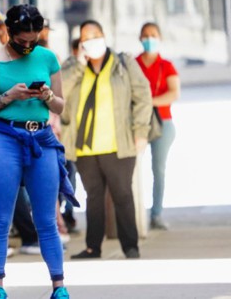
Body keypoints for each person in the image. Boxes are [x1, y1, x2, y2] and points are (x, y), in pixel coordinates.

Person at [0, 4, 75, 299]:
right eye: (22, 39)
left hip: (40, 137)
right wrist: (8, 96)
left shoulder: (48, 57)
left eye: (34, 38)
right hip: (4, 138)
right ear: (8, 32)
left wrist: (47, 95)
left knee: (47, 219)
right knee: (0, 217)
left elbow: (61, 107)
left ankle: (59, 285)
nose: (28, 44)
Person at [62, 20, 151, 260]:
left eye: (95, 35)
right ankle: (93, 247)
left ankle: (130, 246)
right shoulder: (72, 66)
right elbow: (58, 93)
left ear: (104, 36)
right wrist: (80, 65)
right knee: (93, 197)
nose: (91, 40)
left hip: (118, 144)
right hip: (85, 147)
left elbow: (143, 96)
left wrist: (141, 131)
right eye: (86, 37)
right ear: (80, 43)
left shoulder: (123, 63)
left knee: (122, 194)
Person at [136, 22, 180, 231]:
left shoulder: (166, 66)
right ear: (139, 38)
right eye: (145, 35)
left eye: (153, 35)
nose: (149, 39)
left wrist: (150, 102)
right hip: (138, 123)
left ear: (160, 38)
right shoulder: (133, 64)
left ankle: (157, 213)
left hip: (163, 122)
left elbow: (174, 93)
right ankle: (134, 213)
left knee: (158, 169)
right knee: (132, 169)